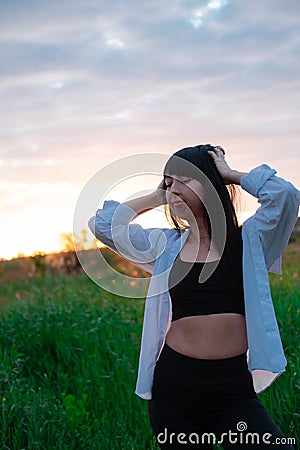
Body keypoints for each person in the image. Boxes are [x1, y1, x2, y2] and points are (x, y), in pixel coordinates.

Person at [88, 144, 299, 449]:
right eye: (170, 181)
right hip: (175, 389)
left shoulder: (250, 240)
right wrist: (159, 194)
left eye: (186, 179)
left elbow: (286, 196)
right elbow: (104, 225)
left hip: (233, 390)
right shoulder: (165, 244)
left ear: (212, 185)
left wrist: (229, 174)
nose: (175, 188)